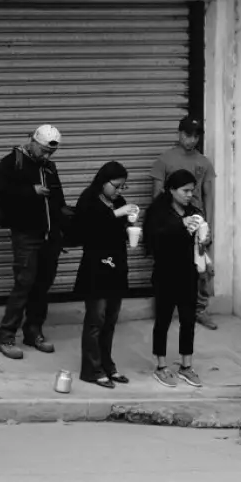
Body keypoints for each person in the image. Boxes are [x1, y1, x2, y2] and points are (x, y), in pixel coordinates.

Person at [0, 125, 72, 360]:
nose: (46, 156)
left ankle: (33, 332)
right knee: (23, 285)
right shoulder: (11, 163)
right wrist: (30, 190)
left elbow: (58, 201)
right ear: (33, 142)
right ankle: (6, 336)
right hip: (26, 235)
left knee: (42, 286)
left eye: (51, 153)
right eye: (44, 151)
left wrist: (62, 231)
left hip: (49, 237)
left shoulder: (49, 167)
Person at [72, 161, 136, 388]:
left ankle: (107, 365)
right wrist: (116, 213)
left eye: (123, 187)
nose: (119, 191)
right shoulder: (89, 200)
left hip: (116, 265)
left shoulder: (119, 201)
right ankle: (91, 368)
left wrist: (131, 228)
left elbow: (118, 229)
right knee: (95, 319)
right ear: (103, 181)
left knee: (110, 319)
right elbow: (86, 229)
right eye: (116, 186)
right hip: (96, 267)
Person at [150, 116, 217, 330]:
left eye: (196, 136)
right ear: (179, 133)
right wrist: (163, 223)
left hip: (196, 220)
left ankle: (200, 309)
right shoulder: (164, 160)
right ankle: (163, 307)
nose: (191, 140)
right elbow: (157, 195)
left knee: (200, 266)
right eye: (187, 135)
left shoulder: (204, 162)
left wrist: (209, 225)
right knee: (169, 263)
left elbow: (208, 196)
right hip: (172, 220)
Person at [143, 169, 206, 388]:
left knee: (188, 320)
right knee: (163, 319)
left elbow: (199, 240)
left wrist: (203, 239)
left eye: (192, 190)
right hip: (165, 273)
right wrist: (180, 224)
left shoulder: (194, 212)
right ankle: (161, 365)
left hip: (188, 273)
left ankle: (186, 365)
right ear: (171, 190)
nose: (189, 195)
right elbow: (153, 240)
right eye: (185, 190)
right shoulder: (158, 213)